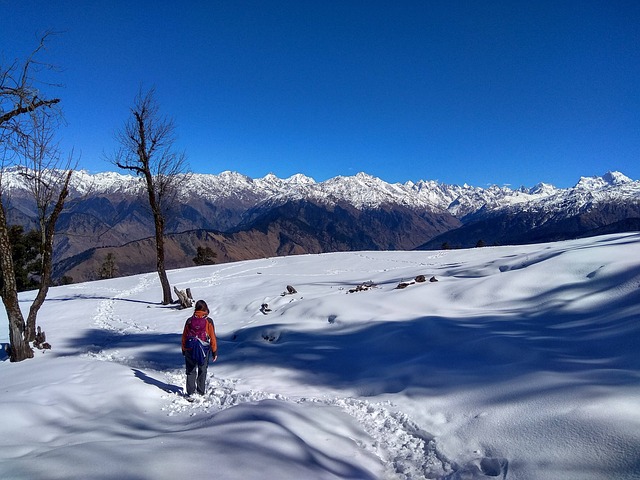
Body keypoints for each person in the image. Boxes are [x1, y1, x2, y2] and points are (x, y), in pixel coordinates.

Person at [181, 299, 217, 398]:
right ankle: (200, 392)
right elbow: (212, 337)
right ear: (206, 309)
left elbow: (184, 336)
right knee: (203, 369)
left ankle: (190, 393)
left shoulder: (189, 321)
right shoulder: (208, 321)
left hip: (190, 348)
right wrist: (214, 351)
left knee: (191, 370)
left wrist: (184, 349)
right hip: (203, 349)